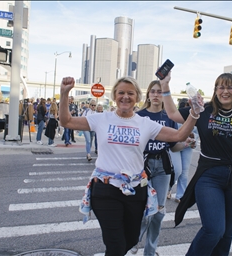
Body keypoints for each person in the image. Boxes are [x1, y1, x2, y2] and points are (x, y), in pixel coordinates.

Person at [59, 73, 200, 256]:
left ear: (137, 98)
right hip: (106, 189)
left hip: (135, 190)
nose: (125, 97)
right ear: (115, 96)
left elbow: (178, 136)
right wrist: (64, 94)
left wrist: (195, 113)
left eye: (130, 93)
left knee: (132, 238)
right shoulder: (101, 119)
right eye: (121, 93)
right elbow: (66, 121)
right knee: (116, 245)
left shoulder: (145, 123)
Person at [160, 73, 232, 255]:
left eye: (230, 87)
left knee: (227, 233)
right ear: (215, 91)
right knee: (214, 230)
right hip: (209, 177)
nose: (225, 91)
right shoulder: (203, 110)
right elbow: (173, 114)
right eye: (221, 87)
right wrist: (165, 86)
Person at [131, 80, 193, 255]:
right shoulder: (139, 116)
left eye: (160, 91)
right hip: (141, 167)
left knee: (158, 213)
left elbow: (173, 146)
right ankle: (134, 240)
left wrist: (187, 144)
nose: (156, 95)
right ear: (148, 94)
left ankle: (150, 251)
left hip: (163, 167)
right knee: (142, 210)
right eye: (153, 91)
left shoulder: (169, 118)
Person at [167, 99, 198, 203]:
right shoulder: (175, 117)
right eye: (186, 107)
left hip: (188, 147)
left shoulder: (195, 117)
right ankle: (168, 188)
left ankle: (180, 195)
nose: (188, 109)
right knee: (176, 170)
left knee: (184, 172)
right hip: (176, 145)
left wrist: (193, 138)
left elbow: (197, 133)